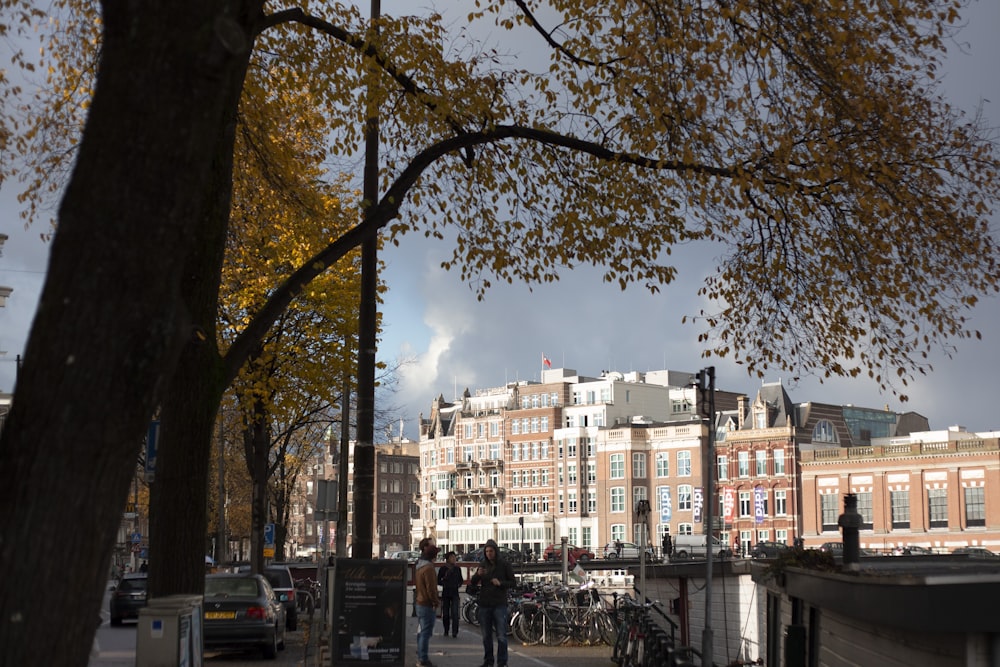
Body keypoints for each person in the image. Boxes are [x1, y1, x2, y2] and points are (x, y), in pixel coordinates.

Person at [470, 540, 515, 667]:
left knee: (501, 635)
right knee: (486, 636)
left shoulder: (504, 565)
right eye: (487, 551)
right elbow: (473, 582)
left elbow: (513, 582)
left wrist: (500, 583)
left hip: (499, 604)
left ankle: (502, 662)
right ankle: (488, 661)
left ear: (496, 551)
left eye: (491, 551)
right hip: (485, 604)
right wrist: (477, 575)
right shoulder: (483, 565)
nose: (489, 553)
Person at [414, 536, 441, 667]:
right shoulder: (429, 568)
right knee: (426, 632)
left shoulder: (419, 566)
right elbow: (431, 589)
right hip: (426, 604)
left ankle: (420, 654)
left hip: (419, 602)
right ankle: (423, 659)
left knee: (421, 631)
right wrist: (436, 602)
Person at [437, 551, 463, 638]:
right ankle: (446, 630)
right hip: (446, 592)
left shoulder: (457, 569)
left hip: (455, 593)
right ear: (447, 559)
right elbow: (438, 580)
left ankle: (455, 631)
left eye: (454, 557)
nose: (454, 559)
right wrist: (444, 582)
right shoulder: (443, 569)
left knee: (455, 613)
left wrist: (458, 584)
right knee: (446, 613)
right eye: (452, 557)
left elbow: (461, 580)